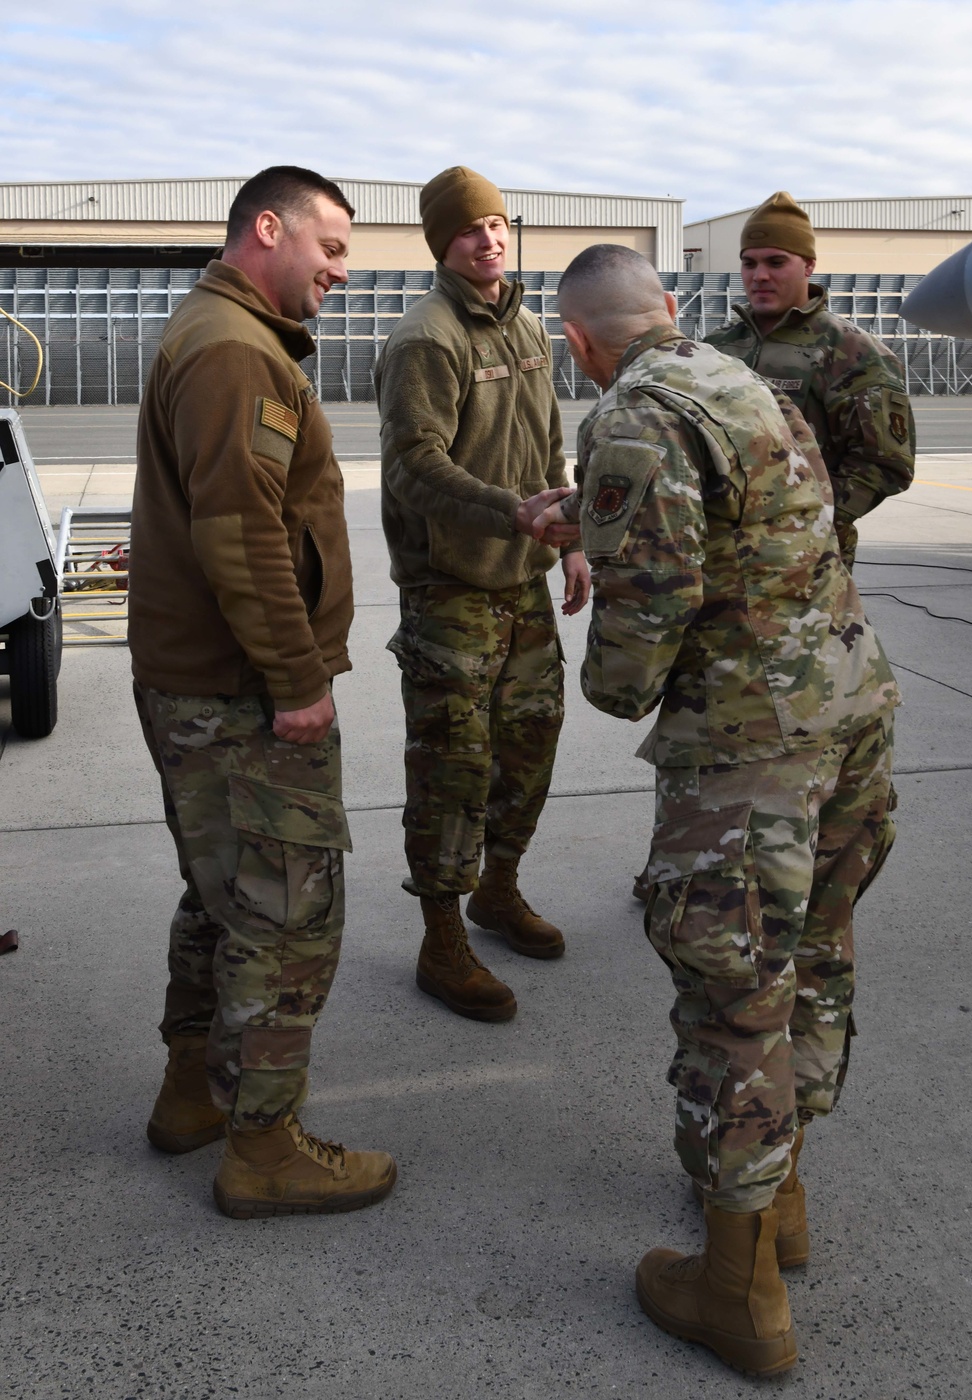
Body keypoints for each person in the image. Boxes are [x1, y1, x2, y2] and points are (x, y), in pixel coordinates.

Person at [533, 244, 899, 1374]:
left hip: (749, 758)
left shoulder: (633, 416)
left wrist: (601, 683)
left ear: (577, 342)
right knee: (811, 955)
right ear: (673, 309)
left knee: (731, 998)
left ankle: (736, 1293)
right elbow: (746, 531)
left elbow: (642, 636)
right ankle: (779, 1200)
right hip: (848, 714)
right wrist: (595, 516)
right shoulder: (747, 383)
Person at [130, 166, 396, 1219]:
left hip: (202, 678)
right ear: (268, 229)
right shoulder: (238, 353)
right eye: (329, 248)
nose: (340, 270)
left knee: (225, 893)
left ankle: (190, 1090)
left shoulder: (217, 331)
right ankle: (265, 1143)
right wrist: (296, 681)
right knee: (287, 914)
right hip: (240, 689)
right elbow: (240, 534)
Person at [374, 165, 588, 1024]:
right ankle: (441, 938)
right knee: (452, 771)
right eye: (470, 229)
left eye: (498, 223)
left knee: (530, 747)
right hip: (451, 590)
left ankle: (498, 893)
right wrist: (513, 512)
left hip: (526, 578)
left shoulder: (528, 325)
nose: (489, 239)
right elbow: (413, 467)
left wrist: (568, 539)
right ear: (442, 243)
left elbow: (545, 438)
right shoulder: (427, 337)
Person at [706, 190, 915, 571]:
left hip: (803, 561)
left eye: (776, 261)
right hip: (715, 554)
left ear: (808, 266)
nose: (760, 275)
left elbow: (885, 465)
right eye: (749, 263)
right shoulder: (715, 347)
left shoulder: (853, 352)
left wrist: (807, 517)